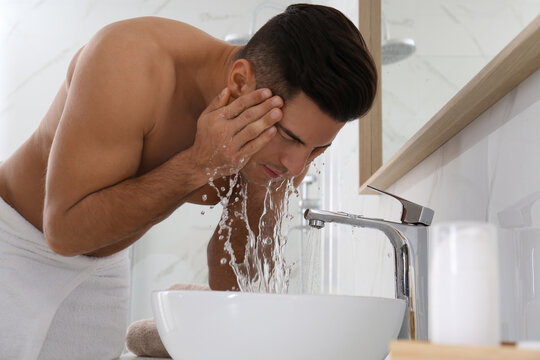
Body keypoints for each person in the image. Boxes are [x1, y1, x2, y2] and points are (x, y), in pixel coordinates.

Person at [0, 3, 377, 359]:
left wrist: (262, 188)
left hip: (106, 261)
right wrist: (198, 165)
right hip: (14, 244)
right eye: (291, 138)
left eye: (316, 150)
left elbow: (234, 289)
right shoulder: (130, 61)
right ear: (240, 80)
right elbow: (63, 233)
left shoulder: (284, 155)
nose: (297, 166)